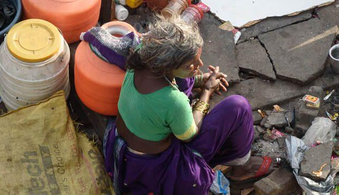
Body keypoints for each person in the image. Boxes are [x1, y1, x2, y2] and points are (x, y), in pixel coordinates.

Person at [103, 18, 274, 194]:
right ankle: (242, 167)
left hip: (124, 145)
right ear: (166, 65)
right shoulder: (172, 100)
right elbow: (189, 135)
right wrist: (207, 91)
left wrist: (200, 79)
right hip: (155, 166)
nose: (199, 65)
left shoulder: (142, 53)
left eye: (198, 58)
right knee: (238, 106)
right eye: (190, 64)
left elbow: (179, 80)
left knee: (188, 80)